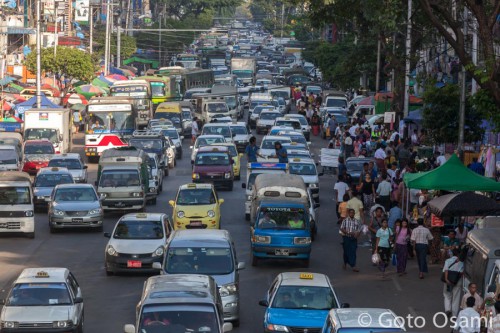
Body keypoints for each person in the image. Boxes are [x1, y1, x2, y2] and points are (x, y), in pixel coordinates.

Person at [443, 249, 465, 318]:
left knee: (447, 295)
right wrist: (455, 280)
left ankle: (448, 309)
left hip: (448, 281)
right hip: (457, 281)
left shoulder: (448, 260)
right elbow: (461, 273)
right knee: (456, 297)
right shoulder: (462, 262)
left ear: (452, 253)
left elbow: (446, 270)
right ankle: (454, 314)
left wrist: (447, 279)